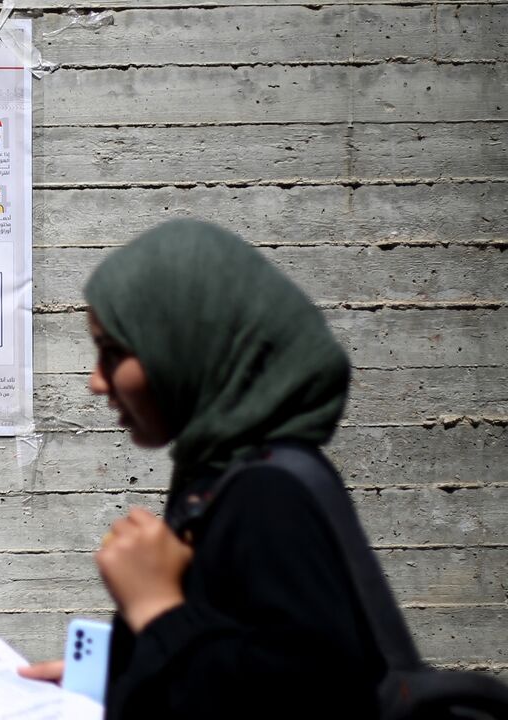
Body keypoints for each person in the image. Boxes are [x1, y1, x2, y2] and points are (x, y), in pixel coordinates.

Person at [19, 219, 385, 718]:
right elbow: (245, 663)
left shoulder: (267, 496)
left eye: (113, 353)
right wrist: (120, 679)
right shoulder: (222, 476)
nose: (96, 382)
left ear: (186, 344)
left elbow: (314, 700)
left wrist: (155, 610)